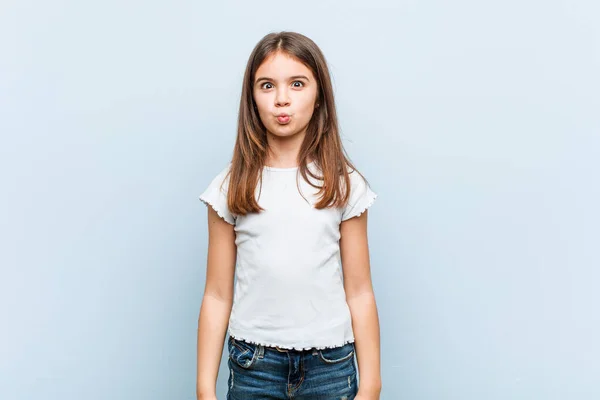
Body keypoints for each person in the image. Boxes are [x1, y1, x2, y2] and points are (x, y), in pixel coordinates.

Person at [196, 31, 381, 400]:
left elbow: (359, 291)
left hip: (330, 368)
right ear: (252, 97)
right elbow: (217, 294)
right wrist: (204, 389)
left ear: (318, 97)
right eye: (267, 85)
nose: (282, 98)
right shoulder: (230, 187)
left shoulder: (344, 184)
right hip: (254, 368)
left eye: (297, 84)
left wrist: (372, 384)